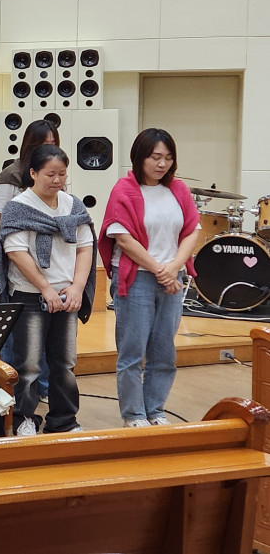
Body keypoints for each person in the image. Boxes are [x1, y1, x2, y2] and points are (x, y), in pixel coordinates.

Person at [0, 145, 96, 436]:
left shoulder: (73, 206)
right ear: (33, 173)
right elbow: (15, 251)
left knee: (65, 363)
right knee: (29, 364)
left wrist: (78, 287)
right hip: (30, 295)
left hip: (66, 295)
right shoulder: (19, 206)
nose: (57, 180)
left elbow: (86, 247)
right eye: (50, 174)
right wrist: (45, 288)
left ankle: (64, 420)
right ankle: (24, 418)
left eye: (62, 174)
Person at [100, 129, 200, 428]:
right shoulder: (124, 189)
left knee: (164, 351)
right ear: (140, 157)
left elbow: (192, 231)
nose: (162, 164)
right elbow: (123, 239)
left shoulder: (178, 189)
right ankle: (133, 414)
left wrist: (174, 268)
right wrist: (160, 270)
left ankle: (155, 410)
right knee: (132, 351)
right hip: (137, 279)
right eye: (155, 157)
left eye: (168, 158)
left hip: (172, 278)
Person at [0, 119, 60, 266]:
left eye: (53, 144)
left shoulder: (56, 175)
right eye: (45, 143)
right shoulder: (11, 175)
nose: (50, 149)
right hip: (18, 250)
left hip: (51, 251)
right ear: (31, 145)